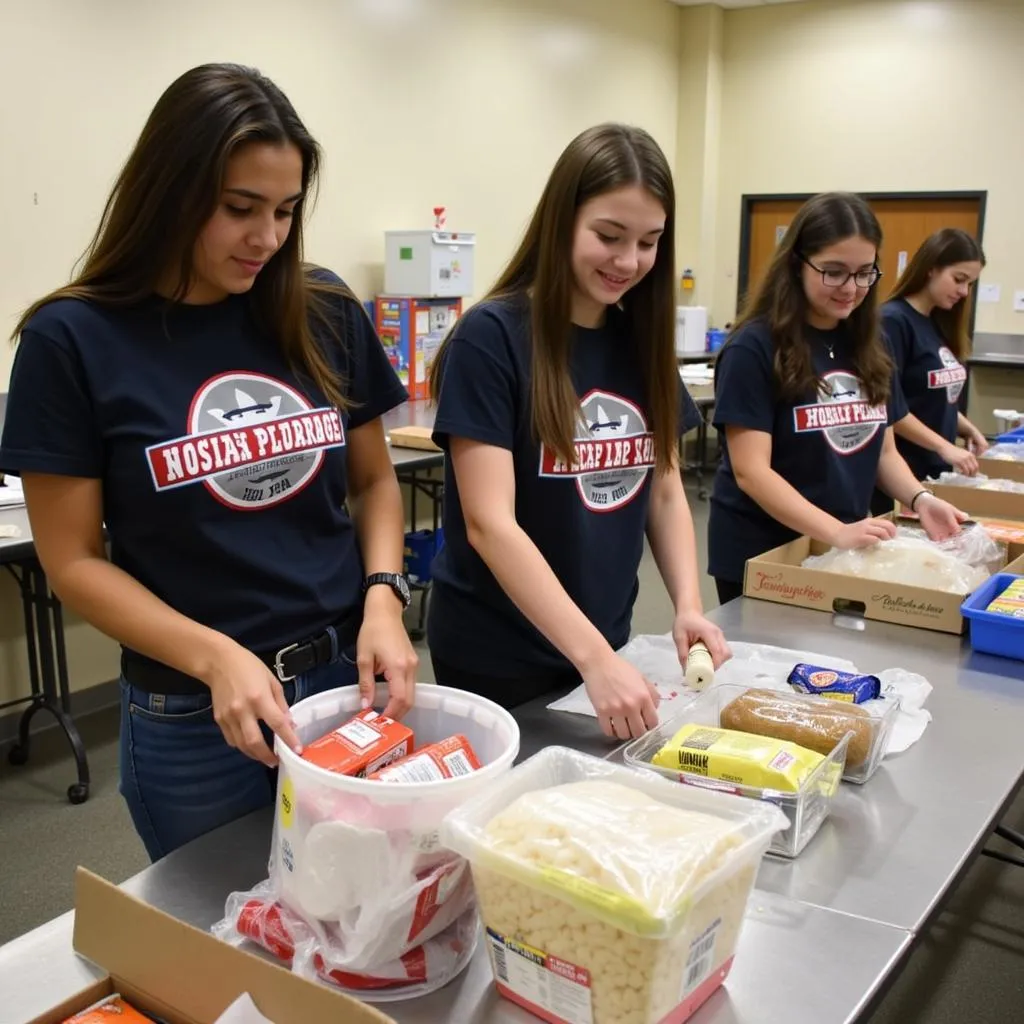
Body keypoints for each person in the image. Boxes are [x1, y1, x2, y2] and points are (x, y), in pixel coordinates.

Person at [0, 64, 417, 861]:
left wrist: (384, 600)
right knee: (225, 944)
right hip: (191, 711)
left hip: (339, 681)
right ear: (169, 192)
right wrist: (215, 654)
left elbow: (372, 482)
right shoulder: (73, 339)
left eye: (287, 211)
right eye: (239, 209)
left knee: (360, 905)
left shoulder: (320, 305)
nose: (267, 238)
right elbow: (74, 563)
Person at [426, 123, 729, 742]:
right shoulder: (492, 336)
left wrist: (689, 606)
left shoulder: (638, 342)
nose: (628, 262)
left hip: (602, 640)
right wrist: (594, 658)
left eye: (649, 242)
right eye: (609, 236)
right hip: (501, 657)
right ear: (561, 220)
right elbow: (490, 524)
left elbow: (665, 491)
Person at [708, 192, 966, 605]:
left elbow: (882, 453)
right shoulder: (754, 347)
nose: (851, 288)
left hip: (837, 545)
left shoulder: (870, 343)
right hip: (766, 550)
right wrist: (835, 530)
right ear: (796, 264)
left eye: (865, 273)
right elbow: (751, 472)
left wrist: (919, 498)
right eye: (834, 272)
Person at [869, 229, 987, 513]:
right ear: (931, 269)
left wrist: (968, 428)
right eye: (959, 279)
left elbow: (931, 396)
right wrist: (942, 446)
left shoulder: (937, 321)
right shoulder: (893, 321)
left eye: (970, 284)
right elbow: (890, 408)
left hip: (935, 469)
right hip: (903, 473)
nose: (963, 292)